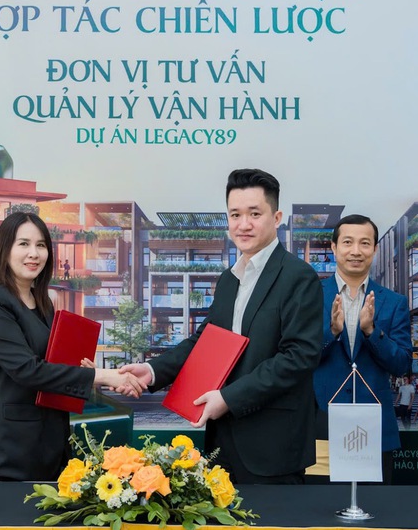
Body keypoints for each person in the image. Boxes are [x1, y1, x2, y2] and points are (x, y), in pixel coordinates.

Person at [119, 169, 324, 484]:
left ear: (276, 217)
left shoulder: (299, 276)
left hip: (273, 444)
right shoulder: (229, 279)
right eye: (235, 214)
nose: (244, 224)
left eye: (255, 214)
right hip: (222, 441)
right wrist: (153, 370)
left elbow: (299, 356)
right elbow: (205, 341)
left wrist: (229, 398)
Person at [0, 212, 142, 481]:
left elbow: (50, 363)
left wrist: (82, 369)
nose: (34, 253)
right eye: (23, 244)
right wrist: (100, 376)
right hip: (10, 448)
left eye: (41, 245)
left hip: (50, 440)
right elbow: (27, 370)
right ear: (4, 249)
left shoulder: (42, 302)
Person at [312, 215, 411, 484]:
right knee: (319, 505)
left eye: (365, 243)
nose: (356, 251)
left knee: (373, 507)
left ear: (375, 250)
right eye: (347, 242)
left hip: (374, 430)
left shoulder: (394, 302)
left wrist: (371, 332)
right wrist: (331, 332)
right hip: (320, 424)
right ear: (334, 248)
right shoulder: (310, 296)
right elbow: (299, 358)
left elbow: (402, 364)